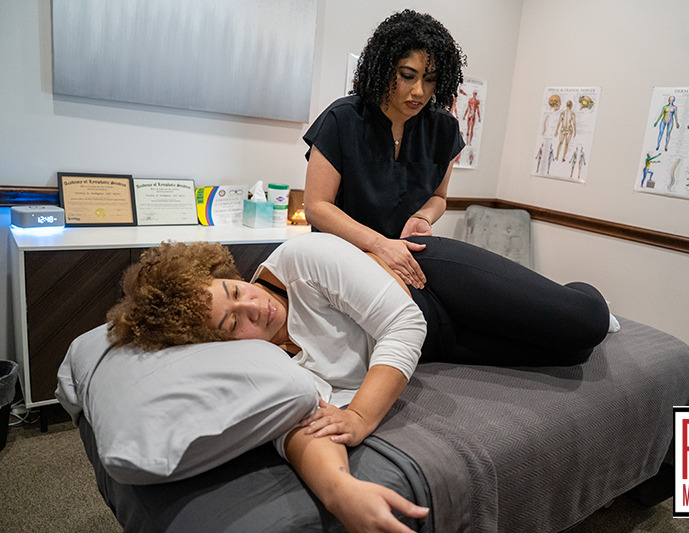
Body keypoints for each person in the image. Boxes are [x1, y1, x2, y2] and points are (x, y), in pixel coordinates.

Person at [107, 232, 612, 533]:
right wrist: (341, 491)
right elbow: (301, 426)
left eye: (233, 290)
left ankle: (575, 293)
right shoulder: (262, 363)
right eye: (230, 322)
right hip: (437, 345)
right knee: (571, 354)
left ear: (225, 273)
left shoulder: (301, 259)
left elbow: (404, 325)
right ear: (215, 346)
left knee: (585, 323)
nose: (253, 307)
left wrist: (359, 416)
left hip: (427, 281)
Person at [302, 10, 467, 291]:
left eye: (430, 79)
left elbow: (439, 197)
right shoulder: (342, 119)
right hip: (341, 260)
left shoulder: (444, 128)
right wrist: (379, 245)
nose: (419, 91)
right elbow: (316, 207)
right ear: (384, 69)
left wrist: (422, 217)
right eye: (407, 76)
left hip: (405, 258)